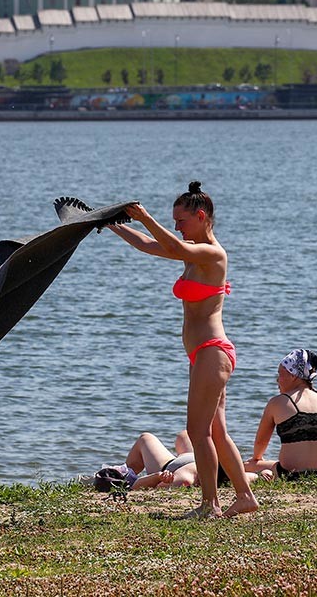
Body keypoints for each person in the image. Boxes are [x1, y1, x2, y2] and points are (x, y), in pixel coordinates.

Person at [107, 181, 259, 518]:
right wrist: (112, 225)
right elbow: (149, 244)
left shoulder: (212, 254)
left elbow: (171, 244)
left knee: (198, 431)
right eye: (173, 221)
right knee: (216, 430)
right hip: (202, 354)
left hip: (212, 350)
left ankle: (210, 504)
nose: (177, 227)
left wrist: (144, 216)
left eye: (181, 220)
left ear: (201, 216)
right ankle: (245, 497)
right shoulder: (189, 251)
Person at [246, 349, 317, 480]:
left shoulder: (277, 402)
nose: (277, 380)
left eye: (280, 374)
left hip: (289, 474)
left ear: (293, 375)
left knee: (247, 465)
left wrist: (257, 459)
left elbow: (261, 442)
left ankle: (258, 477)